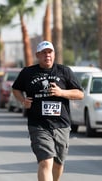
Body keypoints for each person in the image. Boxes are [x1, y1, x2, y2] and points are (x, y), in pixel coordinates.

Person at [12, 40, 84, 181]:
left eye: (50, 52)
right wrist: (23, 100)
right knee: (46, 161)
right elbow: (16, 89)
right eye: (43, 53)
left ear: (54, 54)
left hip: (61, 125)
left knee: (58, 163)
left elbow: (80, 94)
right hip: (38, 125)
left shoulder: (64, 71)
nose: (47, 55)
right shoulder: (28, 72)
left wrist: (61, 93)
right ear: (37, 55)